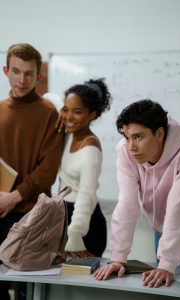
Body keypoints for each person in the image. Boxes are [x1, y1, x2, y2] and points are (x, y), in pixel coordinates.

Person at [94, 99, 180, 288]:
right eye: (127, 137)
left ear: (159, 134)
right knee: (163, 286)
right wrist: (118, 257)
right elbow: (127, 202)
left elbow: (179, 208)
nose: (131, 146)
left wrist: (167, 262)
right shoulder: (126, 151)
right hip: (161, 229)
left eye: (138, 137)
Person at [0, 43, 64, 300]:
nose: (22, 79)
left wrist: (13, 197)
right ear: (6, 71)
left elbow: (48, 171)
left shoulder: (49, 113)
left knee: (29, 290)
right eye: (16, 71)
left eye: (29, 73)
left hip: (31, 216)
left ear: (39, 76)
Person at [56, 78, 112, 257]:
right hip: (64, 215)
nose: (69, 117)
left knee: (78, 283)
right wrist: (60, 111)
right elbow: (48, 97)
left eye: (77, 112)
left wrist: (75, 234)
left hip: (83, 224)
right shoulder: (70, 134)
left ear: (92, 115)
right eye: (66, 110)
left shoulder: (90, 149)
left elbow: (86, 194)